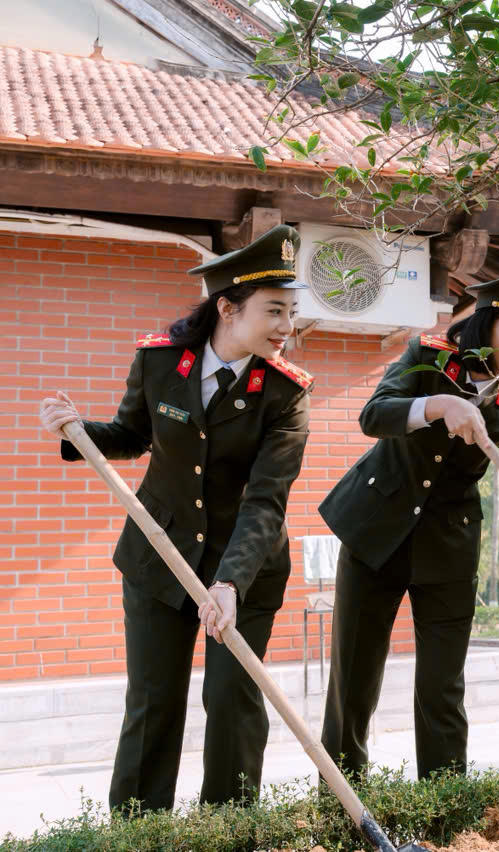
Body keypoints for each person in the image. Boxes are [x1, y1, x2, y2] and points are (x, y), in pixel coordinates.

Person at [38, 225, 313, 812]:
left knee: (232, 700)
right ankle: (138, 833)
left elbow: (267, 499)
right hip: (158, 557)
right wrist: (76, 430)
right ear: (228, 307)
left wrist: (230, 583)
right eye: (274, 310)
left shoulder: (286, 393)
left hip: (245, 567)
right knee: (154, 701)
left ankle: (227, 832)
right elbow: (132, 435)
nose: (287, 327)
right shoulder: (160, 360)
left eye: (292, 312)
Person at [319, 269, 499, 779]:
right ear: (487, 323)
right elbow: (374, 415)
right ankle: (342, 802)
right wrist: (438, 404)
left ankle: (445, 802)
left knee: (442, 684)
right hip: (375, 531)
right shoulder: (428, 357)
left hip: (450, 545)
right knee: (354, 678)